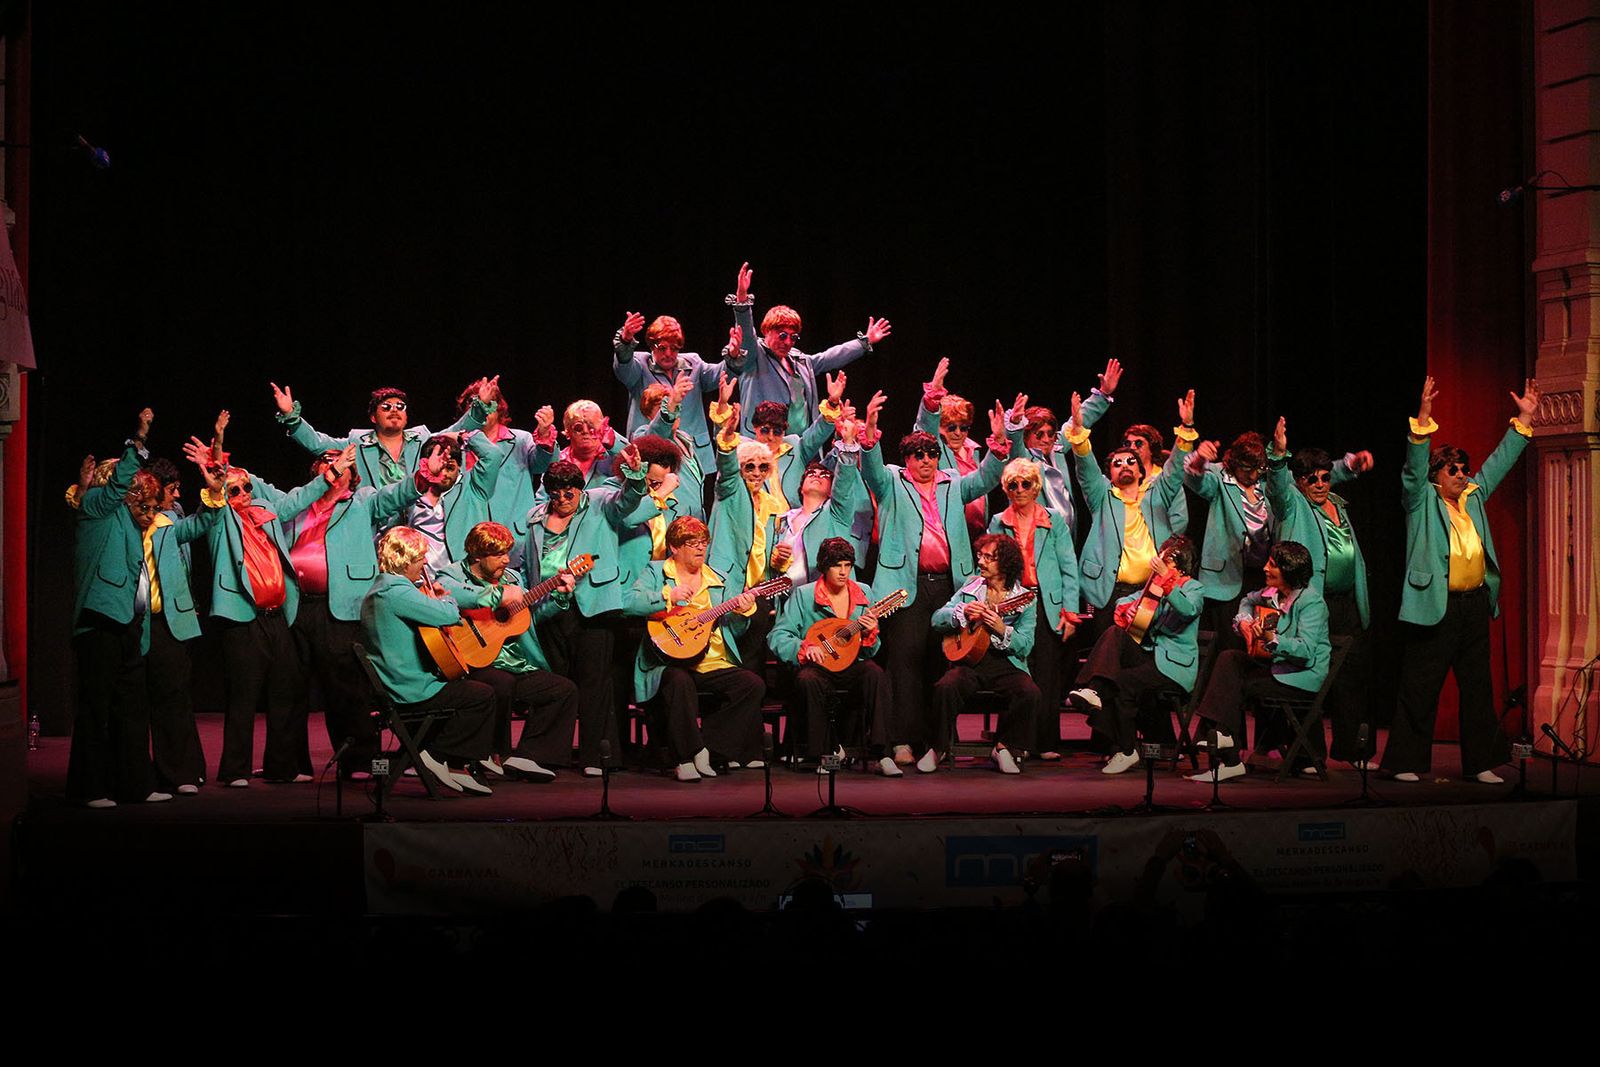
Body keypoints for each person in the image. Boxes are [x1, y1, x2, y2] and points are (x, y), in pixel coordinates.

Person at [1380, 376, 1539, 785]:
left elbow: (1498, 464)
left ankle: (1481, 762)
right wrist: (1424, 420)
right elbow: (1413, 473)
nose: (1463, 475)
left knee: (1477, 687)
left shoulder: (1473, 496)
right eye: (1454, 470)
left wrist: (1522, 421)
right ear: (1437, 474)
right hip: (1436, 603)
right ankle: (1404, 763)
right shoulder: (1420, 499)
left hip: (1473, 604)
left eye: (1465, 469)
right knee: (1420, 685)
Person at [68, 410, 224, 807]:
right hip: (100, 622)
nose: (146, 504)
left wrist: (213, 493)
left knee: (131, 710)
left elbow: (191, 525)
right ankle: (91, 787)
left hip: (131, 625)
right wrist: (139, 439)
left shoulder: (146, 525)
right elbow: (121, 484)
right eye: (138, 495)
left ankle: (135, 783)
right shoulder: (97, 511)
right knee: (97, 710)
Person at [861, 391, 1013, 764]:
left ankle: (936, 741)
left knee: (940, 662)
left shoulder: (952, 483)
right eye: (918, 455)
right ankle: (901, 741)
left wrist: (997, 446)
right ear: (907, 460)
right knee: (904, 664)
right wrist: (868, 434)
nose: (926, 460)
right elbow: (871, 471)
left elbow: (986, 480)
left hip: (949, 586)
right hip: (905, 586)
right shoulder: (894, 483)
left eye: (931, 454)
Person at [283, 443, 443, 778]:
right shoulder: (300, 503)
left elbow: (394, 496)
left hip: (342, 606)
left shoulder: (362, 500)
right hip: (296, 604)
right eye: (326, 461)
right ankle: (289, 764)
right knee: (290, 687)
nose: (334, 465)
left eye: (340, 461)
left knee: (345, 687)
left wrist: (421, 477)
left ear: (352, 473)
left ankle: (358, 760)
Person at [204, 447, 361, 787]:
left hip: (279, 616)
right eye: (235, 490)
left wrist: (331, 475)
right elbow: (214, 502)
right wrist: (219, 458)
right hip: (244, 617)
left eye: (247, 488)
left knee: (286, 690)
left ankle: (282, 767)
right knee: (244, 696)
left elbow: (297, 499)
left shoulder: (266, 512)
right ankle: (235, 770)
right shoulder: (222, 520)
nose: (244, 495)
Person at [525, 443, 648, 775]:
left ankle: (597, 757)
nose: (564, 498)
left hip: (594, 607)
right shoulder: (535, 518)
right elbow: (530, 564)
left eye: (570, 491)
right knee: (557, 683)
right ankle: (549, 754)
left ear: (579, 488)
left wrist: (636, 476)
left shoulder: (599, 504)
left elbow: (627, 501)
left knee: (595, 683)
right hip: (550, 608)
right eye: (556, 492)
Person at [1264, 416, 1377, 765]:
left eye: (1326, 477)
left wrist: (1351, 465)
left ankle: (1353, 750)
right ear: (1299, 482)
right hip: (1311, 604)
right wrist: (1278, 453)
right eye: (1311, 479)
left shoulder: (1339, 505)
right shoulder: (1293, 504)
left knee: (1350, 678)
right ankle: (1307, 755)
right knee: (1306, 676)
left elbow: (1336, 471)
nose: (1320, 484)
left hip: (1345, 604)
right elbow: (1277, 486)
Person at [435, 521, 580, 782]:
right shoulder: (453, 574)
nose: (506, 560)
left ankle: (530, 756)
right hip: (471, 662)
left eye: (507, 553)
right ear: (477, 555)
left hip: (514, 663)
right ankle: (491, 751)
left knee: (563, 689)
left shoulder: (513, 578)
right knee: (500, 683)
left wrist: (559, 597)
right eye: (498, 554)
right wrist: (497, 595)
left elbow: (530, 615)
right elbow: (453, 593)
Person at [622, 517, 763, 781]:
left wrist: (744, 613)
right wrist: (667, 597)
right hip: (666, 661)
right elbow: (628, 602)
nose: (700, 549)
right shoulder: (656, 572)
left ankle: (712, 749)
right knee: (679, 681)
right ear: (674, 548)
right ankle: (686, 756)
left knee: (751, 684)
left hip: (711, 660)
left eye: (703, 543)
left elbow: (735, 631)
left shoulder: (717, 579)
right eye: (691, 543)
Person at [361, 526, 498, 795]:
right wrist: (445, 599)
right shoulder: (397, 592)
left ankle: (446, 757)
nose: (424, 563)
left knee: (471, 690)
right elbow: (447, 615)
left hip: (395, 684)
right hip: (411, 690)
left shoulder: (379, 590)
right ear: (405, 561)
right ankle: (440, 755)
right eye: (420, 558)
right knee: (482, 695)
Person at [1186, 540, 1331, 782]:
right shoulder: (1272, 594)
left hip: (1301, 677)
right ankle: (1223, 739)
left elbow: (1305, 650)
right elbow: (1247, 600)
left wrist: (1273, 639)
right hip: (1279, 667)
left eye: (1272, 565)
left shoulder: (1311, 602)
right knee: (1230, 658)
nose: (1265, 568)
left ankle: (1226, 751)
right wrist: (1243, 620)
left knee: (1236, 684)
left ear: (1289, 571)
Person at [1068, 535, 1205, 775]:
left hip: (1175, 665)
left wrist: (1166, 583)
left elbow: (1188, 610)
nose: (1159, 562)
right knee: (1115, 633)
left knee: (1121, 683)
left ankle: (1126, 749)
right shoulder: (1154, 584)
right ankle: (1094, 689)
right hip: (1150, 657)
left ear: (1179, 563)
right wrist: (1126, 608)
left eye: (1166, 560)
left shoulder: (1193, 587)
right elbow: (1127, 599)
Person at [1068, 388, 1194, 650]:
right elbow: (1086, 468)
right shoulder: (1102, 496)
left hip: (1150, 588)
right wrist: (1079, 433)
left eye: (1130, 462)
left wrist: (1186, 427)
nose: (1124, 465)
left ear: (1140, 471)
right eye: (1117, 463)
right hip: (1109, 590)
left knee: (1139, 651)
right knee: (1106, 650)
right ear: (1110, 474)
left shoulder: (1156, 494)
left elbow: (1173, 471)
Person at [768, 536, 897, 775]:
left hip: (850, 664)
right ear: (825, 567)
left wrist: (869, 634)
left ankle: (883, 753)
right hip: (817, 667)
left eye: (847, 565)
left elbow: (870, 650)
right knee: (808, 680)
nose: (843, 572)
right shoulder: (804, 595)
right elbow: (778, 635)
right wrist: (805, 647)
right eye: (837, 566)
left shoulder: (863, 593)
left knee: (875, 675)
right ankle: (826, 756)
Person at [724, 260, 891, 434]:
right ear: (767, 330)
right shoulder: (755, 355)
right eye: (782, 335)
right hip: (764, 444)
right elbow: (746, 332)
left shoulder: (800, 360)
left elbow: (830, 357)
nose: (788, 342)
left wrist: (865, 342)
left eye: (793, 337)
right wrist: (742, 298)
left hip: (801, 447)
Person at [988, 456, 1080, 759]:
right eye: (1013, 484)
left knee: (1047, 674)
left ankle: (1044, 742)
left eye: (1025, 483)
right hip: (1012, 603)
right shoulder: (999, 522)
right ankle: (1014, 742)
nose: (1019, 489)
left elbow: (1069, 568)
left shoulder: (1052, 520)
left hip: (1047, 603)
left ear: (1036, 486)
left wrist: (1069, 612)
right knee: (1016, 671)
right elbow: (990, 564)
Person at [927, 533, 1040, 775]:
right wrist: (963, 610)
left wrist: (1001, 628)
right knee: (945, 687)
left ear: (1006, 564)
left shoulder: (1025, 600)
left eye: (989, 557)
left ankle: (1003, 747)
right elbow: (937, 619)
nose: (981, 562)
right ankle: (938, 747)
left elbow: (1026, 645)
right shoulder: (971, 586)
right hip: (970, 662)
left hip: (1005, 662)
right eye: (981, 555)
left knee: (1030, 693)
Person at [271, 376, 494, 490]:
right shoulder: (357, 442)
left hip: (417, 523)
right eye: (386, 407)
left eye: (400, 407)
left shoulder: (422, 438)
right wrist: (292, 416)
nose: (394, 410)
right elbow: (318, 444)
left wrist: (480, 406)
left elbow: (456, 432)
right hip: (375, 526)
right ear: (373, 417)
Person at [914, 357, 1031, 536]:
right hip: (942, 534)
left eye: (964, 427)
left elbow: (984, 479)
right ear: (939, 427)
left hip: (976, 534)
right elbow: (925, 431)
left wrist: (1000, 440)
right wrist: (932, 399)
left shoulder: (972, 450)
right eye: (951, 427)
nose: (958, 433)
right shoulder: (933, 450)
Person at [451, 378, 557, 569]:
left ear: (499, 408)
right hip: (470, 538)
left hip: (514, 540)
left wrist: (544, 435)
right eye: (476, 403)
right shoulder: (458, 443)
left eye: (489, 402)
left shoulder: (520, 440)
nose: (485, 408)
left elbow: (543, 465)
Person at [613, 311, 725, 475]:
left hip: (692, 455)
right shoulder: (639, 365)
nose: (668, 353)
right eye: (662, 348)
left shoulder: (693, 364)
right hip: (652, 456)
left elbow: (720, 374)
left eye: (674, 348)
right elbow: (623, 366)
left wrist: (733, 355)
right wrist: (625, 340)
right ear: (652, 346)